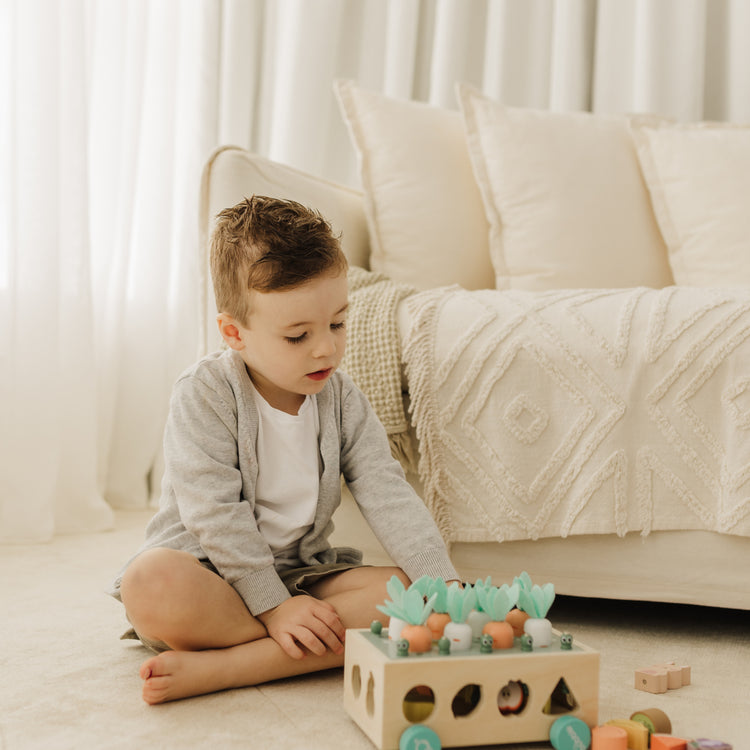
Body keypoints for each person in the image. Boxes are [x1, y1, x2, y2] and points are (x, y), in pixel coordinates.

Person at [110, 195, 458, 705]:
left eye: (338, 324)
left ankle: (232, 665)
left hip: (302, 574)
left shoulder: (343, 400)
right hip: (212, 572)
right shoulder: (204, 393)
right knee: (149, 582)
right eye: (298, 336)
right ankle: (287, 643)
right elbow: (214, 512)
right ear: (235, 333)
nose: (326, 349)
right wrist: (274, 608)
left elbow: (388, 491)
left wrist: (444, 583)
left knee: (415, 594)